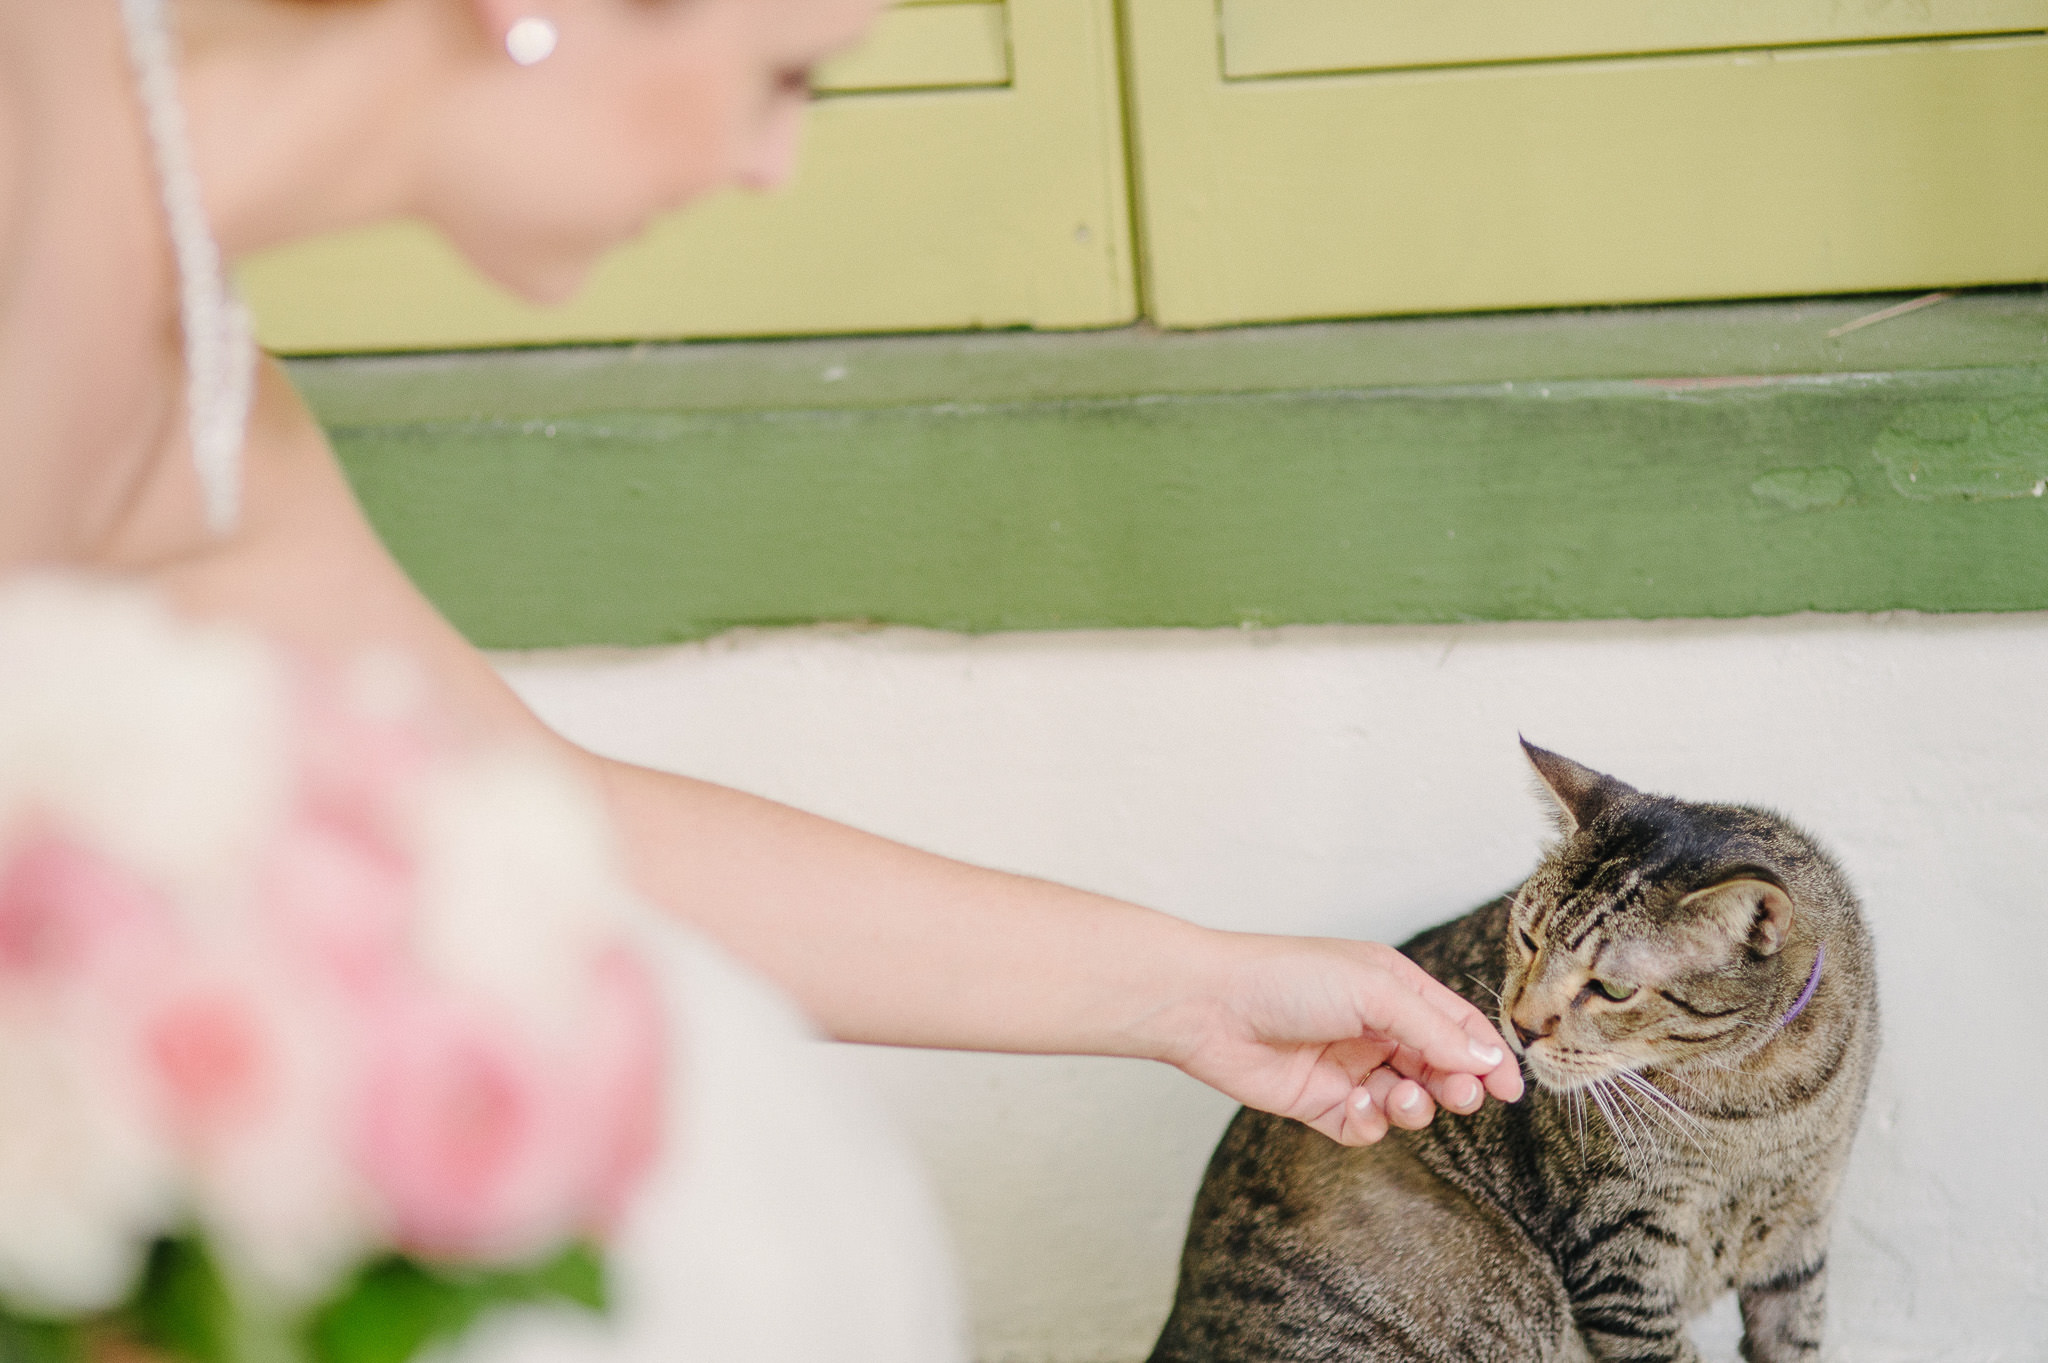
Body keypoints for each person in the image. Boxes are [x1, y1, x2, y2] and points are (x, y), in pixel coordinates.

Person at [0, 0, 1519, 1209]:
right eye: (785, 74)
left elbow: (537, 823)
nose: (768, 164)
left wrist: (1190, 990)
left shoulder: (198, 387)